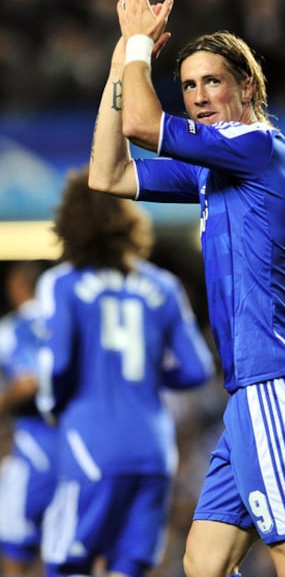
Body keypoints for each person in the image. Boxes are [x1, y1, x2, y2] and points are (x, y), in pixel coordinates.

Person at [88, 0, 285, 577]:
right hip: (250, 392)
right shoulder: (214, 173)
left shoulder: (254, 145)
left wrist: (135, 48)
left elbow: (144, 125)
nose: (199, 96)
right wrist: (117, 67)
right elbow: (107, 173)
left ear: (247, 86)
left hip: (279, 379)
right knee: (204, 561)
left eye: (212, 81)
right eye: (188, 85)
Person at [35, 167, 214, 577]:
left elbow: (57, 366)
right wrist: (147, 375)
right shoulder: (163, 286)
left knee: (68, 563)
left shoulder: (62, 284)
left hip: (91, 444)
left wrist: (50, 404)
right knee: (129, 566)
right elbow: (197, 368)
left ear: (72, 221)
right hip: (153, 449)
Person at [0, 260, 58, 577]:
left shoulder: (12, 330)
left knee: (14, 542)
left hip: (32, 444)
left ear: (18, 286)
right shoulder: (64, 322)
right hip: (77, 444)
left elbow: (25, 383)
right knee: (65, 546)